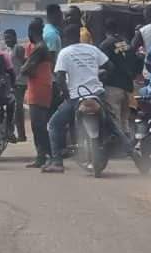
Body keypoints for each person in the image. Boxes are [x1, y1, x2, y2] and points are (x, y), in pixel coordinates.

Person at [43, 24, 126, 173]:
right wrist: (100, 80)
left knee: (54, 125)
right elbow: (110, 67)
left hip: (76, 97)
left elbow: (60, 77)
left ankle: (57, 162)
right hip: (97, 95)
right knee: (112, 124)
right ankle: (129, 150)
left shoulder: (65, 52)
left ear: (66, 38)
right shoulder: (93, 49)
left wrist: (67, 96)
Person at [19, 18, 53, 168]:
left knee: (37, 125)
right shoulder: (42, 47)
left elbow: (24, 69)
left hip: (38, 88)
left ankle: (44, 156)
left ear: (31, 32)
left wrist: (25, 67)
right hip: (41, 86)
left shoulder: (39, 48)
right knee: (39, 124)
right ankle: (45, 155)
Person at [99, 17, 135, 134]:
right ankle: (129, 145)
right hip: (128, 86)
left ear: (105, 30)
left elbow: (103, 65)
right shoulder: (125, 42)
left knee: (115, 120)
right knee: (125, 120)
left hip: (113, 86)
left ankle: (120, 148)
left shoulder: (105, 45)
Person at [5, 28, 28, 142]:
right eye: (5, 38)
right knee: (16, 108)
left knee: (17, 108)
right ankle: (19, 134)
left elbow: (26, 62)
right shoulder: (9, 50)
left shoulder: (18, 49)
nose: (7, 40)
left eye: (9, 38)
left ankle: (20, 134)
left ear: (15, 38)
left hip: (20, 82)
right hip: (14, 82)